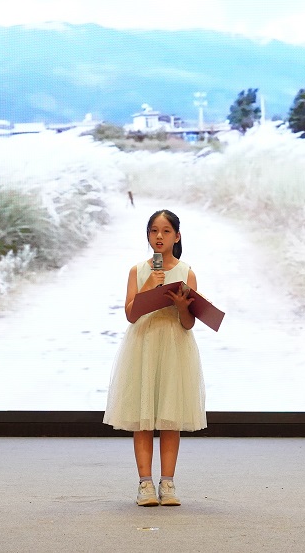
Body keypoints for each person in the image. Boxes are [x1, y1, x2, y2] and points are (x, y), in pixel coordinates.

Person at [102, 209, 206, 507]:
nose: (159, 236)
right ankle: (145, 484)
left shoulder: (187, 272)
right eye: (153, 231)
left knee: (171, 416)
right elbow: (131, 315)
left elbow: (188, 323)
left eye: (165, 231)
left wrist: (182, 306)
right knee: (143, 417)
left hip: (173, 345)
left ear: (177, 236)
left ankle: (168, 484)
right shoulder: (137, 270)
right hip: (143, 345)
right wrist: (149, 285)